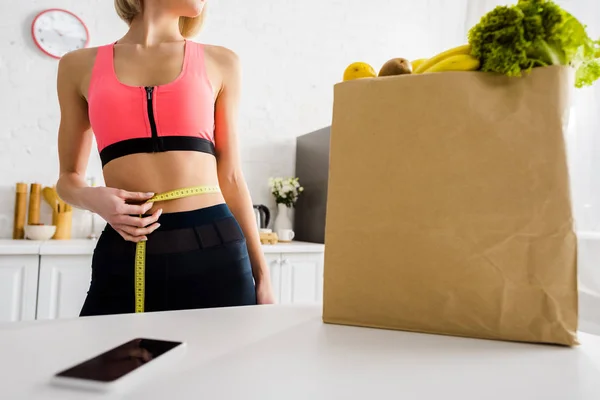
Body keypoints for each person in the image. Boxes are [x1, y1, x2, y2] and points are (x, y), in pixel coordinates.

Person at [55, 0, 275, 316]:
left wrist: (262, 275)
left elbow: (231, 176)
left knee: (222, 364)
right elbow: (67, 179)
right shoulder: (77, 65)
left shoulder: (221, 61)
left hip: (216, 249)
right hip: (126, 249)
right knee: (107, 363)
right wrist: (94, 199)